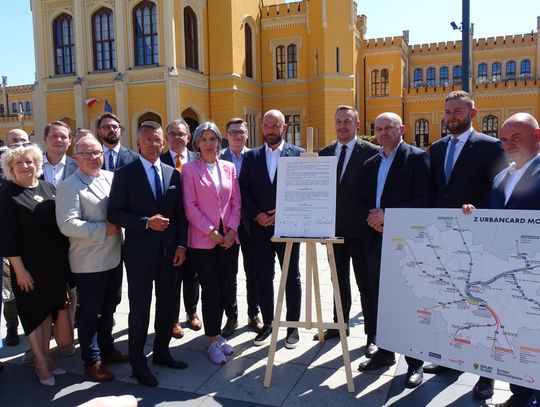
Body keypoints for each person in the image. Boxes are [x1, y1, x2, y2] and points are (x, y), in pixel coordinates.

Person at [427, 90, 508, 399]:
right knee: (451, 305)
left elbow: (498, 191)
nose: (451, 117)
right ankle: (451, 360)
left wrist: (481, 214)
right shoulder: (436, 148)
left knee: (484, 310)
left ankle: (486, 375)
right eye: (447, 111)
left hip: (478, 241)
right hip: (443, 241)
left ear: (473, 114)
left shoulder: (491, 148)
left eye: (457, 111)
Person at [462, 113, 540, 407]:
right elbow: (494, 214)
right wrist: (474, 212)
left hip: (535, 275)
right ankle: (520, 396)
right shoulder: (501, 176)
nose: (508, 145)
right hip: (507, 276)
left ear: (537, 136)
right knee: (515, 337)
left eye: (516, 138)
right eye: (504, 140)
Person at [108, 121, 188, 387]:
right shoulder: (125, 173)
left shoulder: (172, 173)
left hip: (169, 254)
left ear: (163, 143)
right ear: (138, 143)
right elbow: (115, 213)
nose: (153, 145)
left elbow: (179, 216)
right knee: (140, 309)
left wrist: (180, 246)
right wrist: (145, 222)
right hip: (139, 255)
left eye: (157, 140)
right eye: (148, 140)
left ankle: (162, 352)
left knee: (167, 305)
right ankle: (138, 361)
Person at [356, 112, 432, 388]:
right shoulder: (370, 162)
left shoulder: (416, 158)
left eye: (389, 127)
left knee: (407, 302)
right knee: (380, 299)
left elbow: (425, 200)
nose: (384, 133)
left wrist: (388, 215)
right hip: (375, 239)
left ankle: (414, 363)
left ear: (402, 129)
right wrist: (373, 218)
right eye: (379, 128)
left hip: (407, 242)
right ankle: (385, 351)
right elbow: (363, 199)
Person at [55, 135, 129, 382]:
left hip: (113, 257)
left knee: (110, 306)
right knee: (90, 313)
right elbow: (67, 224)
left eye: (97, 152)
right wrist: (102, 229)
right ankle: (92, 360)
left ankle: (107, 350)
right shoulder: (69, 185)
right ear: (76, 158)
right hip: (88, 262)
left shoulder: (110, 178)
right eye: (86, 153)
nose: (93, 158)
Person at [0, 143, 71, 386]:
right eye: (18, 163)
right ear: (10, 168)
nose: (25, 166)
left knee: (46, 315)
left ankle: (48, 358)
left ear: (37, 163)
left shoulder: (48, 187)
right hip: (27, 269)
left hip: (53, 265)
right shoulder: (6, 195)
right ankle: (40, 363)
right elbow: (7, 238)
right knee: (31, 314)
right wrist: (20, 270)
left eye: (29, 161)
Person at [239, 109, 304, 348]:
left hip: (289, 228)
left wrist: (285, 211)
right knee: (263, 277)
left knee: (291, 277)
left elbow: (304, 191)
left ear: (284, 127)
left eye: (274, 126)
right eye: (265, 126)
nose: (269, 130)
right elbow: (242, 190)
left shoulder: (299, 155)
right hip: (259, 228)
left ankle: (293, 327)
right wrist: (256, 214)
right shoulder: (251, 157)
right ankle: (268, 324)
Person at [316, 106, 379, 352]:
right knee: (337, 281)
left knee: (366, 284)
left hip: (363, 232)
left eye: (347, 121)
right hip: (334, 231)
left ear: (357, 125)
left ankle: (372, 333)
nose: (342, 126)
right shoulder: (325, 153)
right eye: (338, 121)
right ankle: (339, 323)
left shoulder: (371, 153)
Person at [182, 121, 241, 364]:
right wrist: (211, 232)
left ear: (219, 141)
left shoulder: (228, 167)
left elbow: (236, 202)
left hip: (228, 239)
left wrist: (231, 230)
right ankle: (211, 339)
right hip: (203, 241)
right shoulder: (189, 169)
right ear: (196, 143)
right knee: (211, 290)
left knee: (226, 286)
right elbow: (190, 206)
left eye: (212, 138)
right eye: (204, 139)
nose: (208, 143)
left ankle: (218, 336)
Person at [220, 118, 263, 337]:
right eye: (232, 132)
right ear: (226, 135)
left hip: (251, 224)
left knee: (252, 271)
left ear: (247, 134)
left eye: (241, 132)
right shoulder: (218, 158)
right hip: (227, 226)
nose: (237, 135)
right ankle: (231, 316)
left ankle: (253, 314)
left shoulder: (256, 157)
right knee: (229, 273)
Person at [161, 119, 201, 338]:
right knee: (173, 275)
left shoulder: (198, 158)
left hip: (196, 225)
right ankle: (173, 318)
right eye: (173, 133)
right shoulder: (160, 160)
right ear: (167, 137)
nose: (177, 137)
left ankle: (192, 312)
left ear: (189, 137)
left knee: (192, 274)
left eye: (181, 134)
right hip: (172, 227)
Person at [1, 128, 30, 347]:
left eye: (23, 141)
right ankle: (12, 326)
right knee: (9, 289)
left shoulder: (31, 169)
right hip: (5, 243)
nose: (18, 145)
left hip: (29, 243)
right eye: (14, 141)